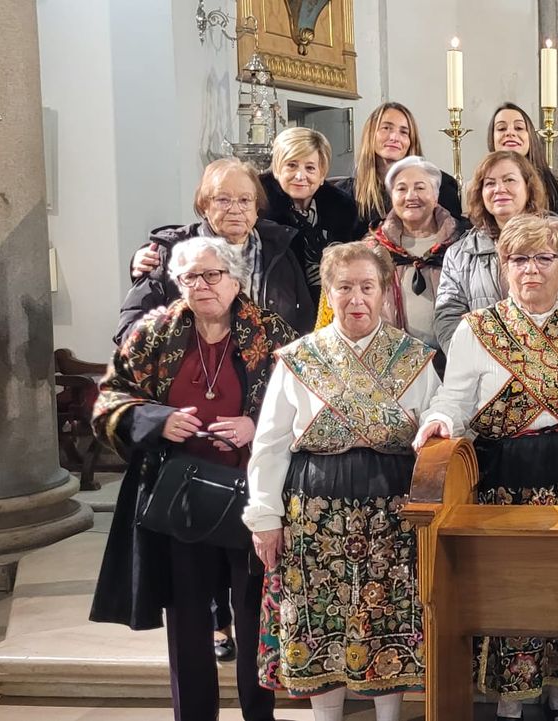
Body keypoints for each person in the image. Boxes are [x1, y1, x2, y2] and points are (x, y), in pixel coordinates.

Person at [91, 237, 297, 721]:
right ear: (175, 282)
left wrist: (255, 425)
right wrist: (155, 420)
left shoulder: (271, 332)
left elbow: (306, 402)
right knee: (185, 622)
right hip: (180, 499)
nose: (201, 286)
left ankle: (259, 714)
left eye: (212, 275)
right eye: (189, 278)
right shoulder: (154, 333)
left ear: (235, 278)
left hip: (253, 499)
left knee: (253, 619)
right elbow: (108, 400)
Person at [415, 215, 558, 721]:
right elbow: (452, 398)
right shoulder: (476, 330)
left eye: (545, 259)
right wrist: (438, 421)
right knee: (512, 595)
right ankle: (510, 705)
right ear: (503, 268)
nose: (531, 270)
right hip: (506, 484)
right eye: (518, 259)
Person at [246, 241, 439, 721]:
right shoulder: (299, 358)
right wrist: (265, 517)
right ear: (329, 293)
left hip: (393, 507)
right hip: (314, 510)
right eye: (345, 287)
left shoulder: (414, 357)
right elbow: (270, 444)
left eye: (367, 287)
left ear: (384, 294)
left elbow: (437, 424)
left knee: (389, 616)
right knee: (320, 621)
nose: (357, 298)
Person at [119, 157, 314, 343]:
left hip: (267, 373)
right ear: (204, 205)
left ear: (257, 207)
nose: (235, 209)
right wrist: (164, 338)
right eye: (223, 200)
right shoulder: (169, 252)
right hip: (192, 372)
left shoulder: (279, 251)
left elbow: (305, 325)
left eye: (245, 200)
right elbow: (129, 327)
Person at [433, 150, 558, 350]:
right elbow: (448, 317)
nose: (499, 189)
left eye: (509, 180)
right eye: (490, 183)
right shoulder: (460, 254)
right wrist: (478, 357)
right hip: (489, 370)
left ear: (528, 187)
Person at [353, 155, 466, 348]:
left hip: (455, 357)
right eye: (401, 189)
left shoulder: (462, 243)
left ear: (436, 195)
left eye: (420, 188)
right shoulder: (371, 250)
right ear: (392, 197)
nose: (411, 196)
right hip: (394, 362)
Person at [331, 102, 463, 235]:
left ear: (411, 141)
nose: (394, 137)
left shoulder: (440, 185)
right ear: (370, 135)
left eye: (404, 132)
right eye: (386, 128)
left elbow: (453, 238)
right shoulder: (345, 193)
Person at [259, 126, 359, 290]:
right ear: (277, 170)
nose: (300, 176)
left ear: (322, 175)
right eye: (291, 165)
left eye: (310, 168)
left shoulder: (343, 210)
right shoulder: (258, 211)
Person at [487, 102, 558, 217]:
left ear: (530, 136)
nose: (510, 133)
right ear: (492, 138)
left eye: (519, 128)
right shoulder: (476, 187)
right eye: (502, 128)